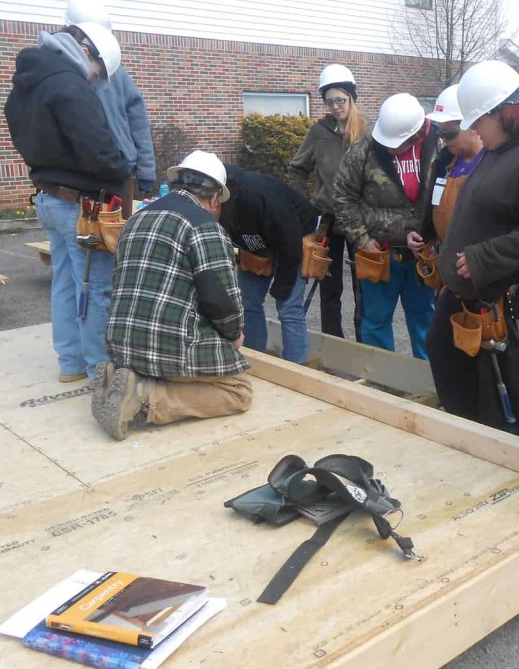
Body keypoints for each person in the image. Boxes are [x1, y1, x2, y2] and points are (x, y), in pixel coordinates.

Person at [427, 60, 519, 437]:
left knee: (508, 391)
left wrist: (484, 257)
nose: (473, 129)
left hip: (515, 300)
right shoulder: (500, 148)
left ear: (503, 112)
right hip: (475, 291)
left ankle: (511, 461)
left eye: (477, 120)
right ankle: (473, 448)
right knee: (451, 363)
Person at [94, 151, 253, 441]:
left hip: (121, 345)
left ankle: (127, 379)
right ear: (215, 198)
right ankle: (145, 398)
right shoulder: (204, 226)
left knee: (172, 353)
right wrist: (234, 335)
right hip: (164, 347)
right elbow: (222, 301)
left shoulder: (135, 220)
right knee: (238, 391)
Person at [4, 21, 130, 385]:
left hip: (48, 197)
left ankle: (71, 363)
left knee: (65, 282)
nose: (96, 79)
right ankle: (102, 375)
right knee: (95, 288)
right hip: (82, 207)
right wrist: (123, 167)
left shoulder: (28, 82)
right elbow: (101, 152)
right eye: (98, 71)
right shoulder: (70, 86)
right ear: (87, 51)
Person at [333, 93, 440, 358]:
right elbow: (342, 196)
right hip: (380, 253)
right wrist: (361, 238)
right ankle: (381, 385)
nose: (391, 149)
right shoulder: (364, 149)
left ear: (416, 134)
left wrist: (435, 237)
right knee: (376, 322)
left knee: (425, 321)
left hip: (422, 257)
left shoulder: (439, 146)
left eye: (398, 144)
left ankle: (429, 382)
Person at [288, 64, 367, 340]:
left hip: (361, 223)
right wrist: (305, 208)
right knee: (329, 287)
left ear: (352, 98)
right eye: (329, 101)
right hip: (329, 222)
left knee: (363, 287)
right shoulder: (318, 132)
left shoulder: (367, 131)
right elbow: (297, 169)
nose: (335, 106)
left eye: (340, 100)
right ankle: (334, 344)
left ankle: (364, 344)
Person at [219, 164, 320, 364]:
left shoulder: (261, 197)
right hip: (256, 242)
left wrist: (282, 285)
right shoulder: (211, 203)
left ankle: (296, 367)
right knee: (248, 302)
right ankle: (255, 359)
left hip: (295, 237)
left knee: (289, 307)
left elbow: (290, 246)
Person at [64, 0, 157, 197]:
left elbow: (138, 121)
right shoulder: (60, 72)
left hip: (119, 170)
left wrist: (146, 172)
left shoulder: (116, 72)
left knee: (119, 228)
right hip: (79, 177)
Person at [410, 84, 485, 263]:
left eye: (450, 133)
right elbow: (432, 205)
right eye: (440, 132)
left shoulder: (495, 163)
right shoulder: (444, 161)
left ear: (473, 125)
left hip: (477, 264)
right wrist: (422, 235)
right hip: (446, 260)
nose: (444, 139)